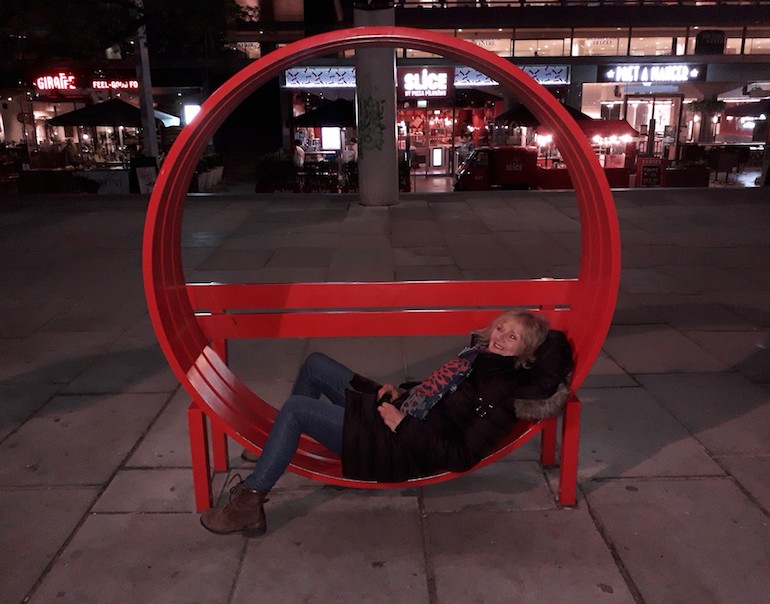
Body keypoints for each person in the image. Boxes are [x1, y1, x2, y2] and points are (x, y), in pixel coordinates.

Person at [200, 310, 573, 537]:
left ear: (527, 352)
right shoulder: (475, 359)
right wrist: (402, 394)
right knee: (315, 363)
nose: (502, 339)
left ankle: (249, 504)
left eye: (514, 338)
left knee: (298, 409)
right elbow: (436, 396)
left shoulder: (501, 393)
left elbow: (462, 456)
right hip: (399, 416)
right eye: (501, 329)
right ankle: (275, 450)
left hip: (397, 448)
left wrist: (400, 424)